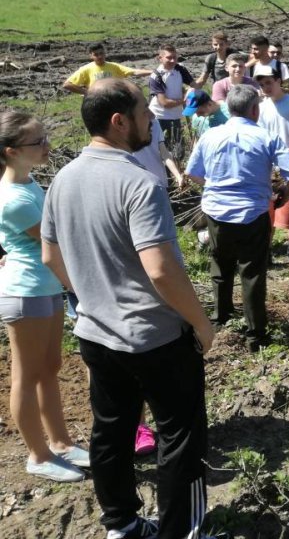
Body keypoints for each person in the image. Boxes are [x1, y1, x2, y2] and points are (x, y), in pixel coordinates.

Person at [41, 79, 219, 539]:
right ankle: (181, 532)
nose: (152, 118)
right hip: (155, 338)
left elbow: (50, 256)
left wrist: (87, 296)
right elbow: (160, 269)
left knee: (112, 433)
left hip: (97, 334)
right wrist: (200, 323)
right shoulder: (139, 182)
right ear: (119, 122)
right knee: (181, 439)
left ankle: (120, 523)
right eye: (144, 112)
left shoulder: (63, 178)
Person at [0, 111, 88, 483]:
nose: (46, 146)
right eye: (37, 142)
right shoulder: (13, 199)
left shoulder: (28, 183)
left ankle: (61, 442)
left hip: (46, 287)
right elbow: (58, 238)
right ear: (11, 151)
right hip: (26, 292)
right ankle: (37, 455)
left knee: (50, 368)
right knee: (26, 374)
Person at [185, 84, 289, 350]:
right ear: (254, 109)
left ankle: (221, 317)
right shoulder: (265, 137)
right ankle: (255, 335)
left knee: (221, 266)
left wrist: (214, 187)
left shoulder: (211, 136)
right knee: (252, 273)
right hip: (253, 214)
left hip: (217, 214)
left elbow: (192, 173)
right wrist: (284, 192)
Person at [254, 64, 289, 258]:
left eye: (269, 82)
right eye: (262, 84)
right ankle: (267, 247)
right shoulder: (261, 108)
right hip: (270, 164)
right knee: (270, 207)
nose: (266, 87)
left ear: (279, 81)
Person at [147, 44, 194, 159]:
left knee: (179, 152)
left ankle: (178, 174)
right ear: (160, 58)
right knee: (164, 152)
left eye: (175, 57)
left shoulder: (179, 69)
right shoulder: (156, 76)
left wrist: (191, 89)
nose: (173, 60)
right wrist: (183, 100)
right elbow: (165, 103)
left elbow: (195, 85)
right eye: (169, 58)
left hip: (176, 116)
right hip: (160, 116)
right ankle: (168, 176)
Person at [61, 43, 152, 96]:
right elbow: (67, 84)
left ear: (105, 53)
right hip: (96, 102)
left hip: (113, 100)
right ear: (91, 56)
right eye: (96, 54)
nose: (100, 56)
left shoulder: (114, 66)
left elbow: (135, 72)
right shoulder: (86, 69)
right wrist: (86, 92)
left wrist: (153, 72)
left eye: (101, 53)